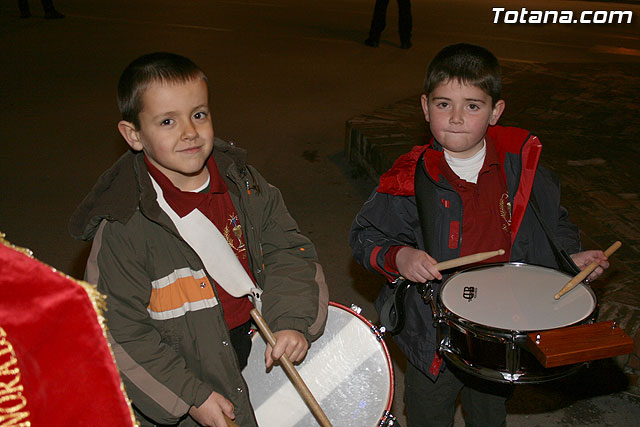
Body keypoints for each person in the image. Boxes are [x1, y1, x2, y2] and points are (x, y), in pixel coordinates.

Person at [349, 43, 611, 426]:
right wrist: (399, 257)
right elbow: (365, 236)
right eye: (443, 104)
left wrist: (569, 257)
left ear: (495, 112)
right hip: (434, 330)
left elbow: (554, 224)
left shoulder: (520, 169)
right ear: (425, 107)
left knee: (489, 412)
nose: (456, 118)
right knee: (428, 411)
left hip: (500, 323)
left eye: (472, 105)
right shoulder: (410, 178)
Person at [69, 52, 329, 427]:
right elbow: (117, 331)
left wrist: (289, 320)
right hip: (185, 365)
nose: (189, 132)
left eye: (199, 114)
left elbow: (290, 250)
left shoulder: (246, 185)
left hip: (252, 340)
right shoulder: (126, 227)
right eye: (167, 121)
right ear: (133, 135)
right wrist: (190, 395)